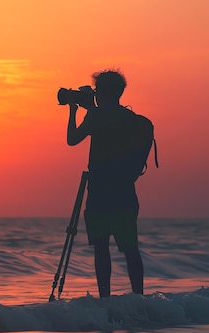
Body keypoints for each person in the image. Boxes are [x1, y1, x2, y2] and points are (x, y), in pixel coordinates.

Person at [66, 69, 146, 298]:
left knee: (101, 247)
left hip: (100, 192)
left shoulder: (96, 116)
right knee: (131, 249)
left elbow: (72, 140)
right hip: (125, 192)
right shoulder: (130, 119)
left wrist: (73, 110)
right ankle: (139, 298)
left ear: (100, 92)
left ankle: (105, 300)